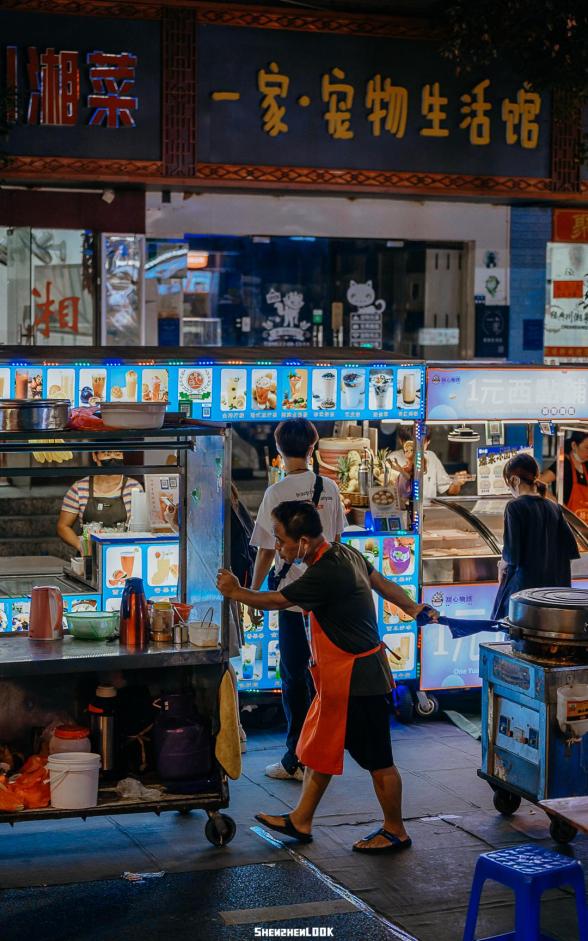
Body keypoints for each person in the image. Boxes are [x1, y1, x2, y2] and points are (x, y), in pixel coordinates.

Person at [217, 500, 435, 853]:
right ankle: (301, 819)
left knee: (379, 761)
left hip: (360, 682)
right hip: (340, 679)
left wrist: (236, 592)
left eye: (282, 540)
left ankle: (395, 830)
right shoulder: (342, 553)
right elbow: (382, 583)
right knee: (319, 749)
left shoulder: (324, 573)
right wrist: (413, 607)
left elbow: (275, 600)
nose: (279, 547)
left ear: (303, 542)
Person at [250, 419, 345, 782]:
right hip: (328, 599)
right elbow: (336, 541)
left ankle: (297, 758)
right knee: (323, 678)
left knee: (294, 678)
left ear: (278, 449)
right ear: (313, 446)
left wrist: (254, 596)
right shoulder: (331, 488)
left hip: (290, 599)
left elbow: (264, 551)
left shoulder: (277, 493)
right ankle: (319, 754)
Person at [491, 453, 579, 620]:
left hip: (525, 595)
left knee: (518, 641)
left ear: (515, 481)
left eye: (508, 485)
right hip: (553, 596)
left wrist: (502, 565)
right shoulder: (554, 507)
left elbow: (512, 555)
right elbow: (570, 549)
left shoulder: (514, 507)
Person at [57, 451, 143, 552]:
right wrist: (82, 547)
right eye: (107, 454)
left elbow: (142, 527)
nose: (113, 459)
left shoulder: (134, 487)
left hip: (123, 554)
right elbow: (63, 526)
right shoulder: (79, 488)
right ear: (94, 456)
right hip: (89, 557)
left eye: (118, 454)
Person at [390, 426, 468, 499]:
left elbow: (450, 492)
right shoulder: (392, 460)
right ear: (401, 442)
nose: (416, 449)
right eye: (410, 445)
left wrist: (456, 483)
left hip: (428, 511)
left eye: (421, 444)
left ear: (428, 442)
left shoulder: (431, 457)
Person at [540, 432, 588, 523]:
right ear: (574, 445)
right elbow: (539, 482)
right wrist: (559, 506)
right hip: (567, 523)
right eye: (587, 448)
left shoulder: (586, 466)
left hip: (584, 526)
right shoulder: (563, 464)